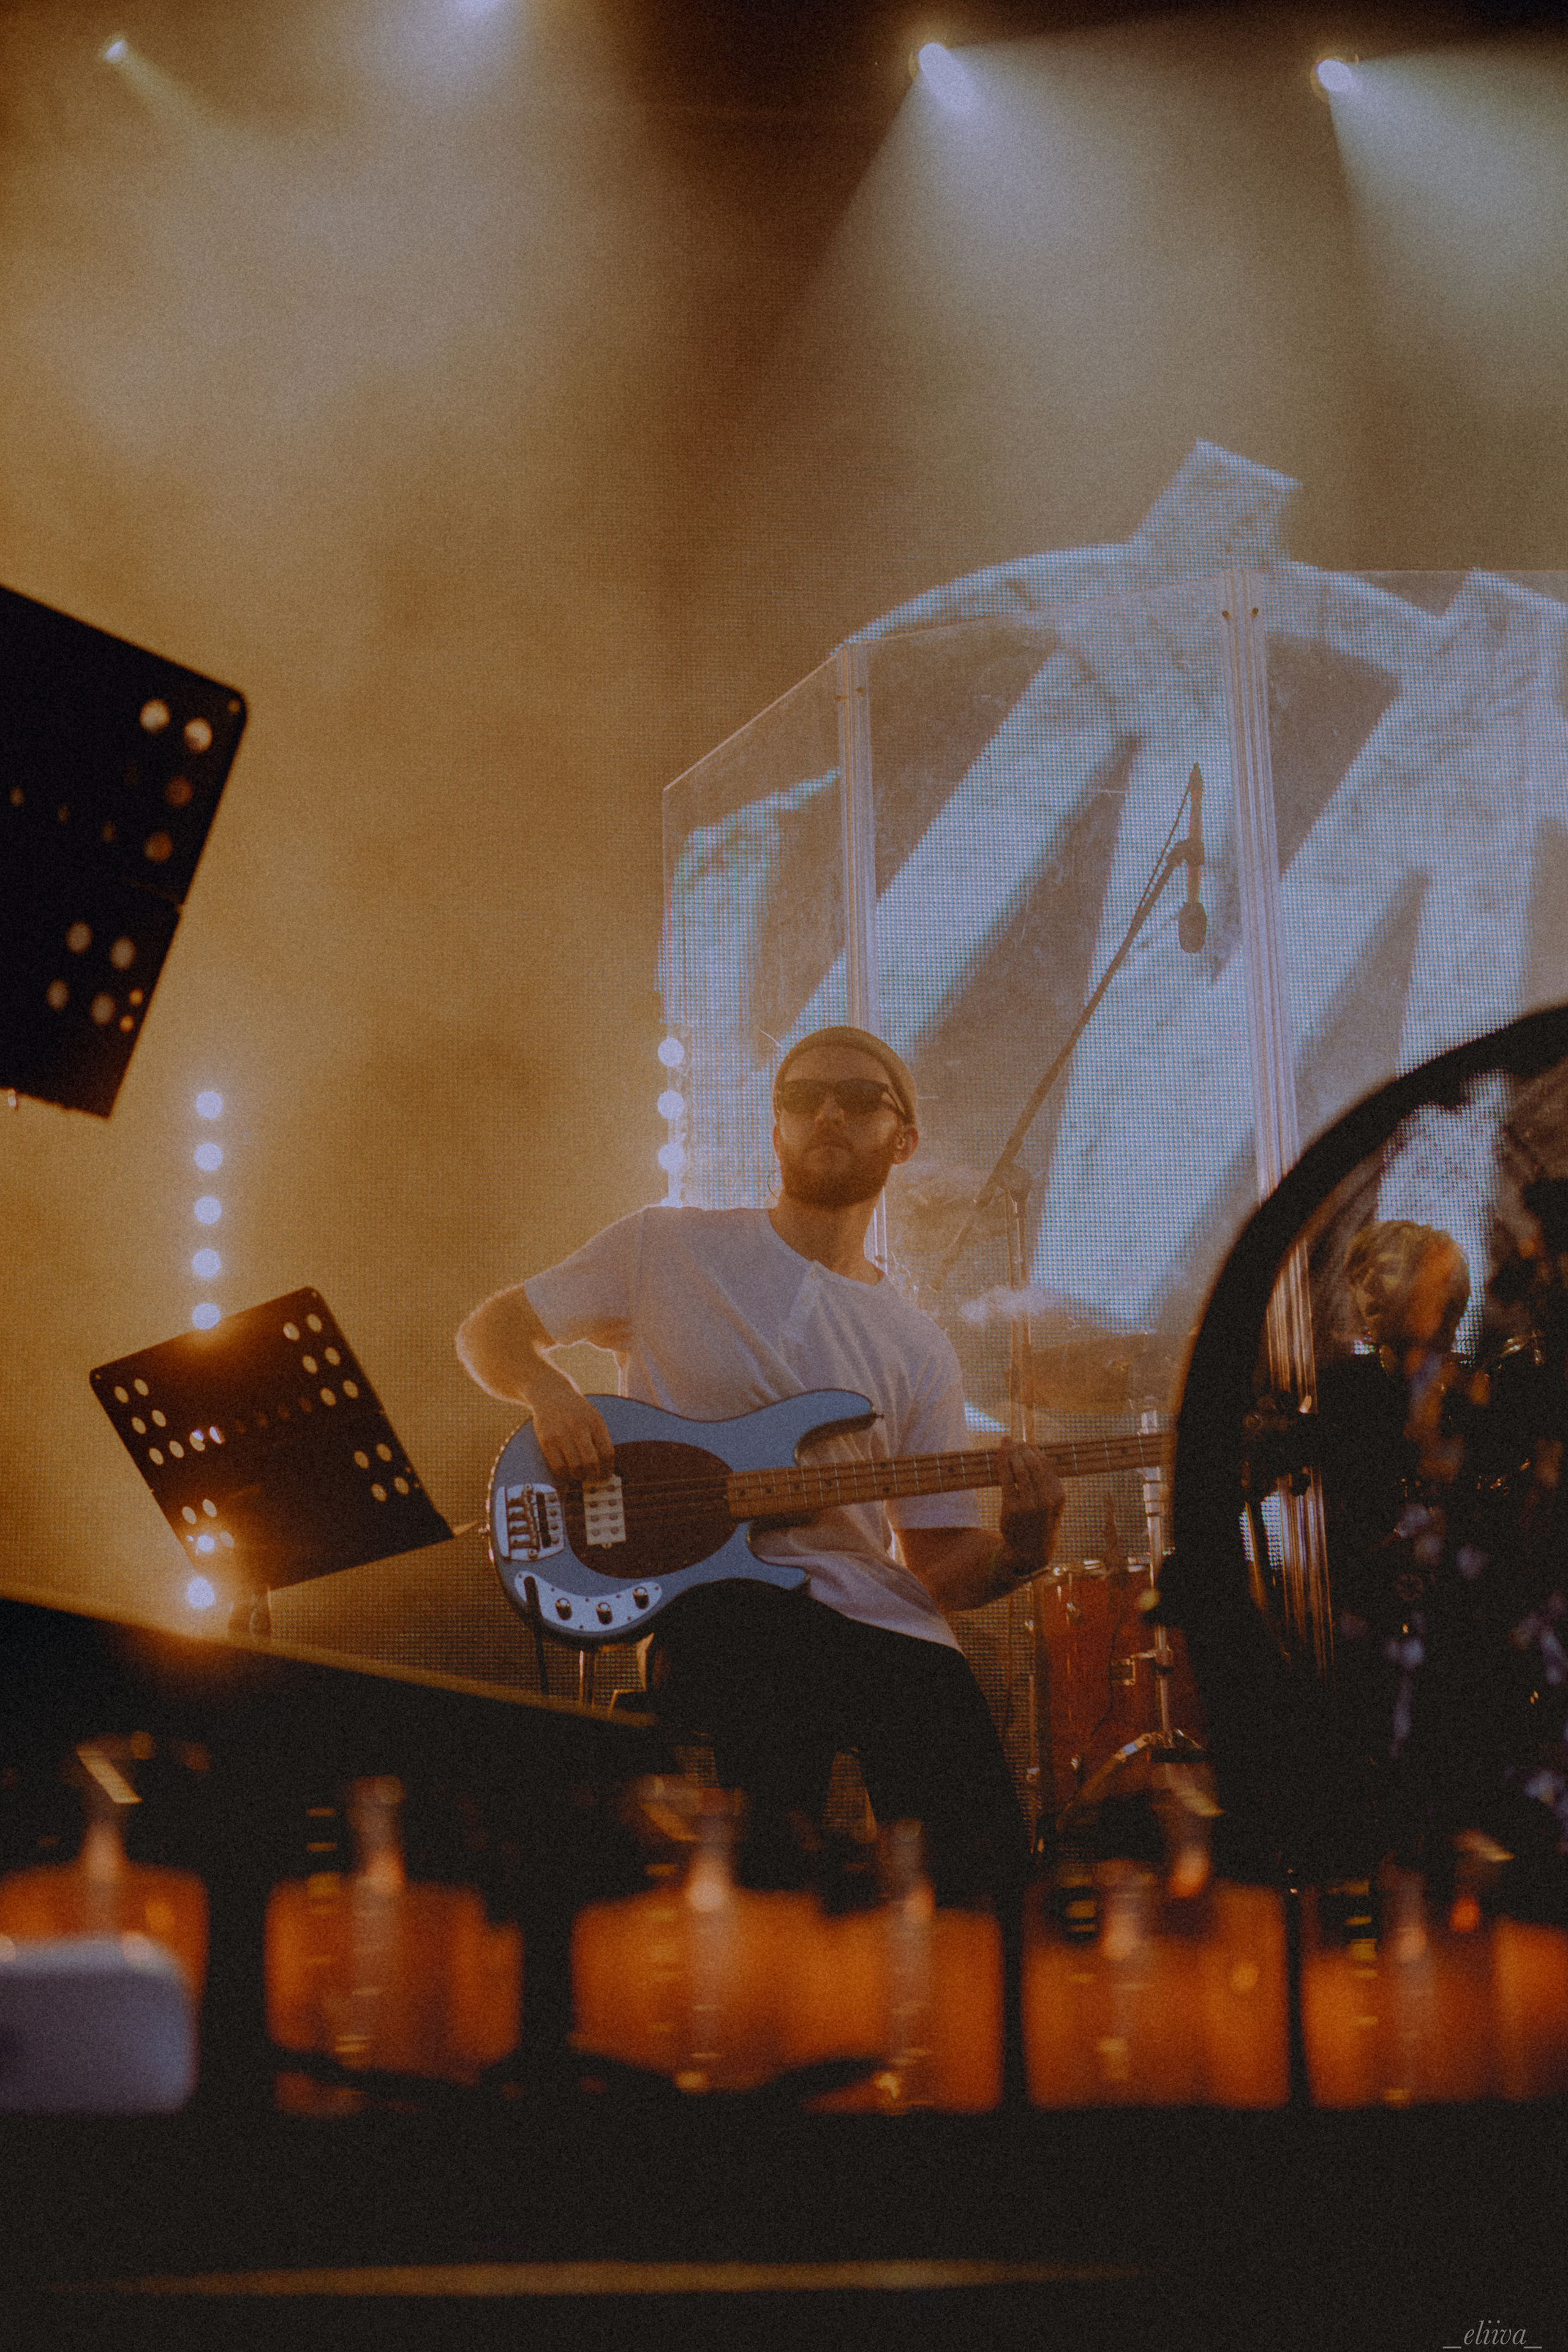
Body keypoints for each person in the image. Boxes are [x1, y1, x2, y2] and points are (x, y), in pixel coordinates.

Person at [456, 1025, 1065, 1905]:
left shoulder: (919, 1347)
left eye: (859, 1101)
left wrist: (1024, 1549)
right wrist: (550, 1396)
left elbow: (937, 1573)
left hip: (876, 1623)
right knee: (765, 1783)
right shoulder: (662, 1246)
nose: (827, 1113)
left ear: (906, 1140)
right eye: (801, 1097)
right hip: (720, 1604)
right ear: (774, 1128)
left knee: (983, 1861)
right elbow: (492, 1332)